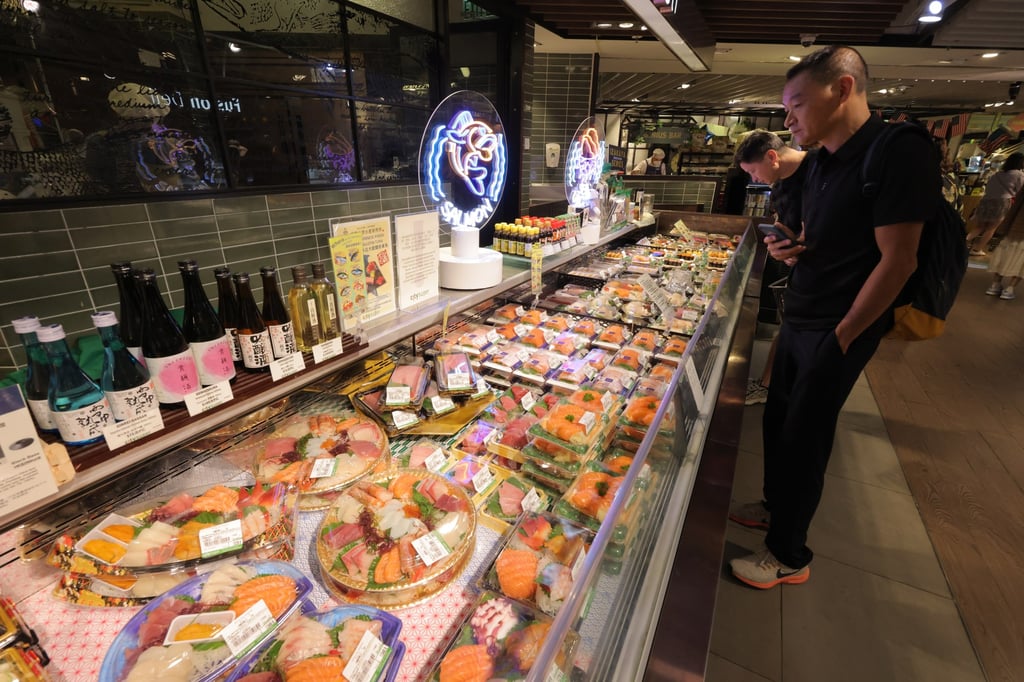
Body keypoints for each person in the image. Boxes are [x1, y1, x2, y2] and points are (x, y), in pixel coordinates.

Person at [728, 45, 940, 590]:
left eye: (796, 103)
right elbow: (828, 239)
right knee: (778, 422)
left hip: (839, 327)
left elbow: (900, 259)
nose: (788, 118)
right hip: (802, 313)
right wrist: (793, 247)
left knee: (806, 437)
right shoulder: (821, 159)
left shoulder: (898, 151)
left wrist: (845, 335)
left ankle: (788, 555)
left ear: (842, 89)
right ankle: (777, 508)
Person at [732, 130, 812, 405]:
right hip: (801, 271)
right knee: (787, 329)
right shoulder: (779, 184)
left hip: (829, 280)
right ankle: (771, 385)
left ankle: (782, 390)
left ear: (772, 156)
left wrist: (805, 246)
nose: (754, 180)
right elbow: (786, 224)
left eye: (754, 172)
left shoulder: (820, 170)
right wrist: (782, 244)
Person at [965, 152, 1024, 256]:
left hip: (986, 200)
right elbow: (1020, 191)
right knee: (991, 228)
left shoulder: (997, 174)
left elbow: (988, 188)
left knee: (980, 226)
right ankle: (977, 250)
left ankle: (963, 243)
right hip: (1002, 202)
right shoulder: (1019, 175)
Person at [984, 185, 1024, 300]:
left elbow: (1015, 206)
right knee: (1020, 262)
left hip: (1014, 227)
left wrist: (1005, 226)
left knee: (1004, 256)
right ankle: (1009, 289)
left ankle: (995, 285)